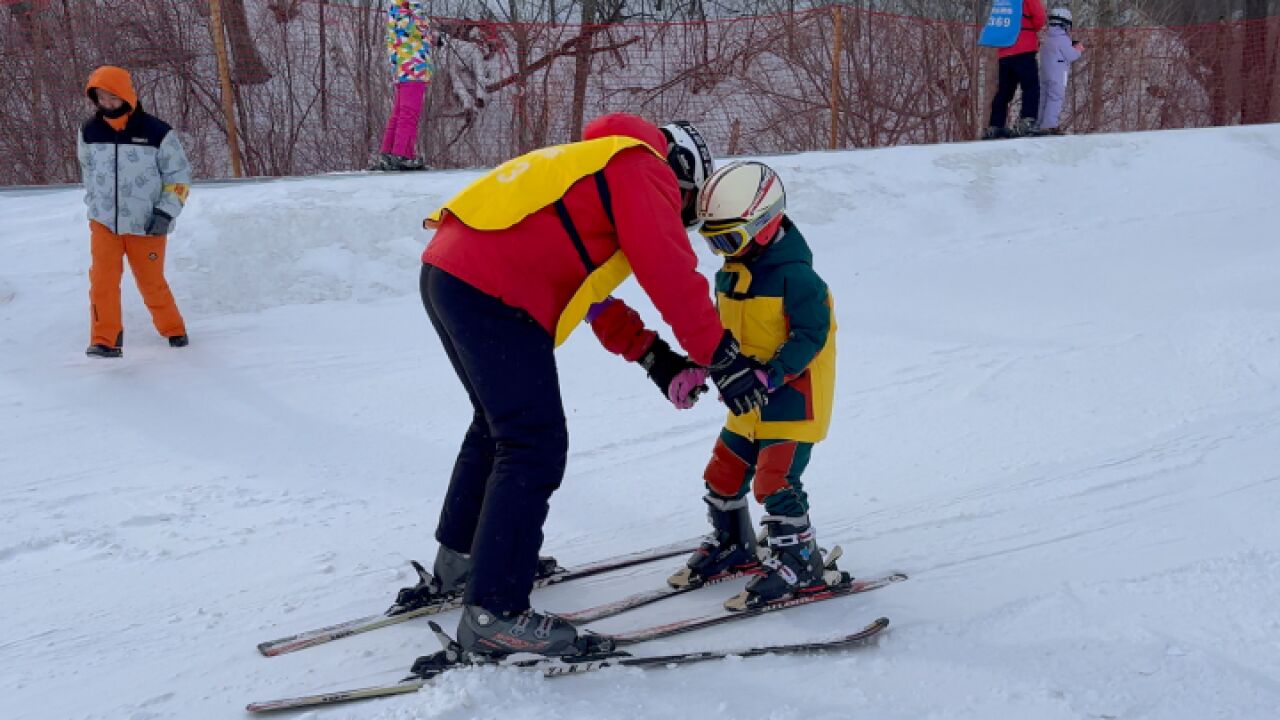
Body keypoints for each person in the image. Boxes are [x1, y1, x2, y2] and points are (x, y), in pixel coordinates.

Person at [408, 114, 770, 658]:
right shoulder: (642, 167)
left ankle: (463, 560)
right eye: (690, 208)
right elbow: (669, 272)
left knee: (497, 427)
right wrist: (722, 357)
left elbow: (591, 297)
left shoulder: (597, 168)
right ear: (684, 175)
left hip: (452, 274)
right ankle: (495, 611)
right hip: (490, 289)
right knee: (533, 442)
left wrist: (655, 358)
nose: (683, 219)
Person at [595, 161, 838, 610]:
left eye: (729, 239)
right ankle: (734, 544)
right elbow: (721, 332)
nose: (722, 250)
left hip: (792, 402)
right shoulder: (730, 273)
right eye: (713, 241)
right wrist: (697, 366)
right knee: (722, 473)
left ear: (764, 227)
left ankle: (802, 562)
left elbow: (811, 337)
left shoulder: (799, 279)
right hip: (747, 402)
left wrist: (772, 374)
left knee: (774, 481)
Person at [77, 66, 191, 358]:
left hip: (147, 224)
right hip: (103, 222)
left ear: (127, 96)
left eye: (113, 98)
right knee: (101, 281)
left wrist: (165, 213)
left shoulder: (157, 132)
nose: (107, 104)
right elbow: (88, 168)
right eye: (101, 98)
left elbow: (179, 176)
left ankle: (173, 328)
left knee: (151, 283)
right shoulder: (89, 131)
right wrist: (94, 202)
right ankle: (105, 339)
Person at [371, 0, 435, 171]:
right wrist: (417, 10)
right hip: (413, 67)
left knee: (400, 113)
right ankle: (401, 154)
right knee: (409, 113)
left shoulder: (396, 10)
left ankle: (389, 153)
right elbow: (419, 28)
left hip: (404, 67)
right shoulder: (406, 10)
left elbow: (413, 33)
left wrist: (431, 38)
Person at [984, 0, 1047, 139]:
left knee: (1004, 91)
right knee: (1030, 87)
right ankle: (1027, 122)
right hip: (1024, 47)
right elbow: (1039, 18)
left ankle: (995, 126)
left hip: (1004, 50)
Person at [1037, 7, 1085, 135]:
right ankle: (1049, 125)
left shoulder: (1048, 37)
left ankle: (1039, 123)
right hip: (1058, 73)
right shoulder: (1062, 39)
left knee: (1043, 98)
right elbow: (1071, 55)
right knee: (1055, 98)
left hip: (1045, 72)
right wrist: (1078, 49)